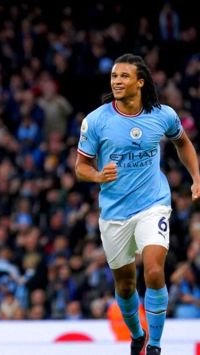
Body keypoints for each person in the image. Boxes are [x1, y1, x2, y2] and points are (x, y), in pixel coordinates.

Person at [75, 53, 200, 355]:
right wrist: (97, 176)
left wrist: (196, 176)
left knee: (155, 271)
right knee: (126, 285)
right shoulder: (96, 121)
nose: (117, 81)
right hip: (115, 212)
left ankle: (154, 345)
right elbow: (81, 166)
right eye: (114, 76)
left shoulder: (163, 115)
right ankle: (137, 334)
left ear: (140, 82)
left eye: (124, 76)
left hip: (153, 204)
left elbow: (182, 141)